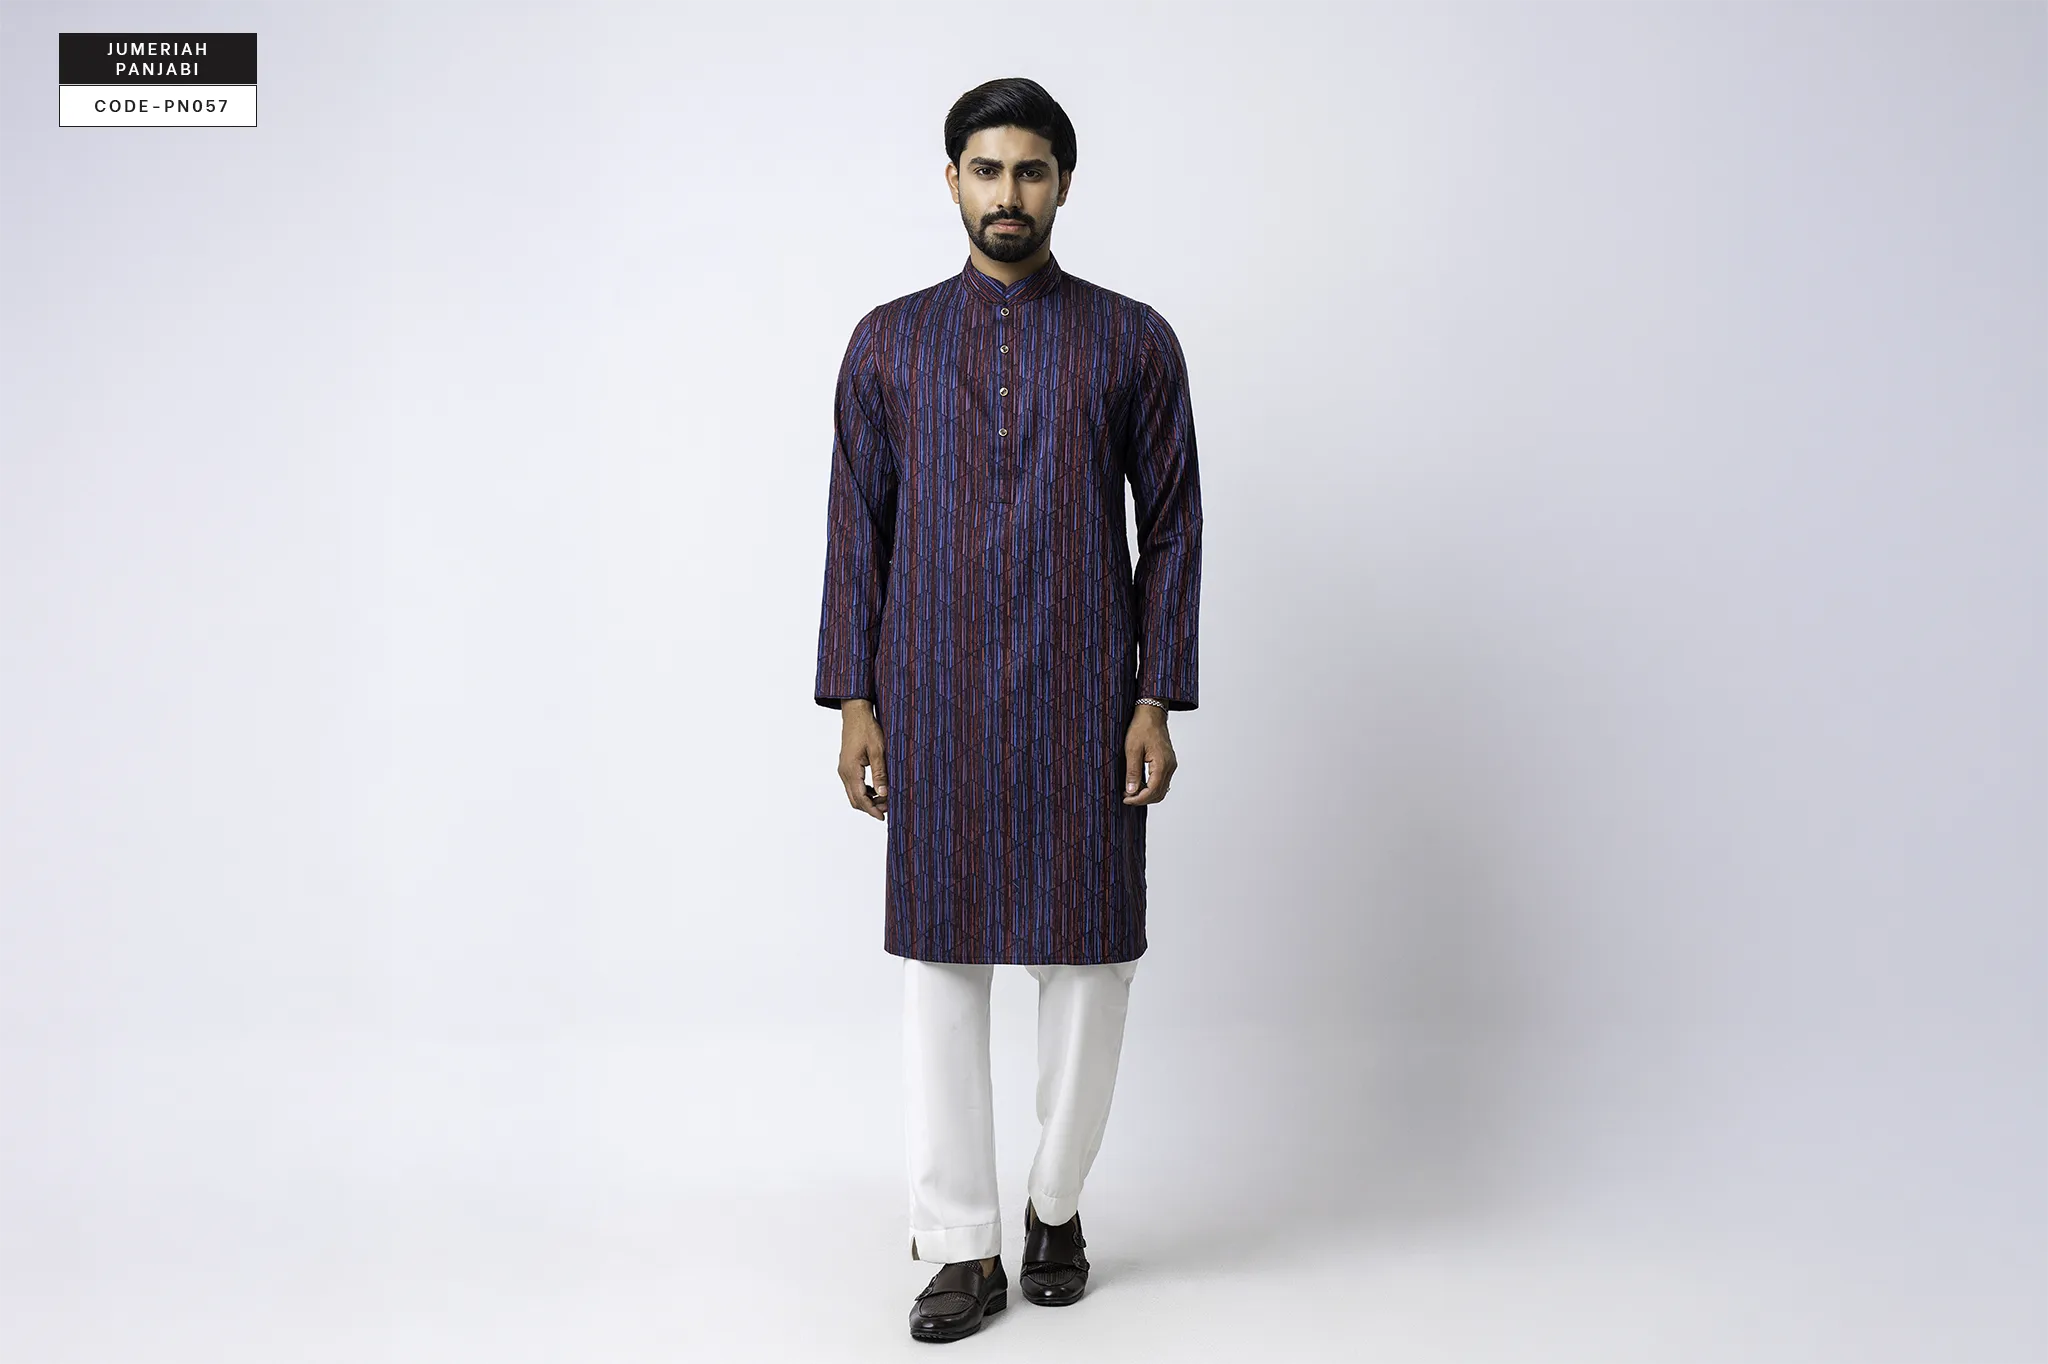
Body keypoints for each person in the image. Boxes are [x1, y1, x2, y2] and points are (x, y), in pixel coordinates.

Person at [812, 75, 1204, 1344]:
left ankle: (1054, 1202)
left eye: (1029, 170)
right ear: (951, 181)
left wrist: (1155, 692)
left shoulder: (1130, 340)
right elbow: (855, 531)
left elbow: (1172, 526)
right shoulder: (887, 343)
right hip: (927, 693)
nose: (1006, 193)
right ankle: (960, 1242)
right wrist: (854, 695)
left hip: (1084, 692)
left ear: (1063, 184)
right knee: (941, 964)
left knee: (1090, 960)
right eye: (985, 169)